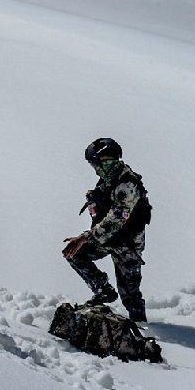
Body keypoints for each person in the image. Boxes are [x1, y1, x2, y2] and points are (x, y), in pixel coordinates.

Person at [62, 138, 151, 322]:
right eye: (100, 163)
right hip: (108, 239)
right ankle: (103, 291)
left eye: (110, 161)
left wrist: (85, 237)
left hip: (128, 244)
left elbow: (116, 220)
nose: (104, 167)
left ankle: (142, 335)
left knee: (131, 296)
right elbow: (104, 220)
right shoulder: (105, 182)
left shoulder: (128, 184)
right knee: (76, 254)